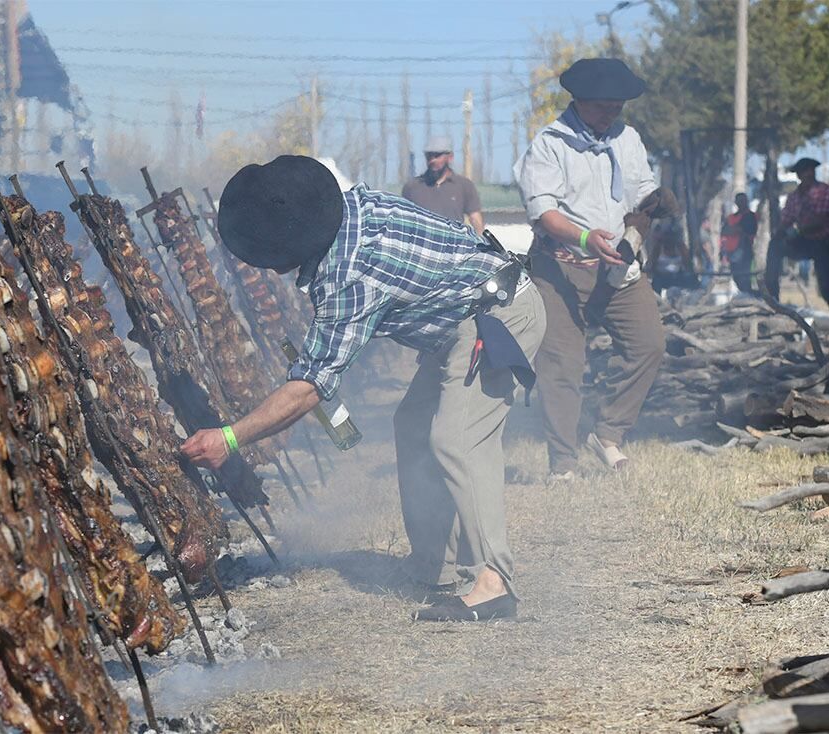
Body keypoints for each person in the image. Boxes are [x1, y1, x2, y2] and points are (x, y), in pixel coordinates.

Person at [183, 155, 545, 622]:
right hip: (461, 321)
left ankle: (494, 583)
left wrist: (230, 437)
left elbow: (311, 384)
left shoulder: (349, 277)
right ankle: (434, 565)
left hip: (500, 317)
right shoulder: (351, 210)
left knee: (457, 440)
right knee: (413, 425)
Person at [514, 57, 669, 480]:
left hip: (618, 266)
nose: (612, 113)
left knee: (649, 343)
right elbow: (543, 212)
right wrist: (584, 238)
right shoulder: (549, 144)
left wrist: (657, 199)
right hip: (560, 268)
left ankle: (607, 432)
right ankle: (562, 461)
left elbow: (639, 188)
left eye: (618, 105)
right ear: (579, 101)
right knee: (562, 365)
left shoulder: (627, 137)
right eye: (604, 106)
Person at [764, 158, 829, 310]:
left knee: (827, 286)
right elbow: (786, 219)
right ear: (799, 175)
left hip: (824, 243)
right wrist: (779, 234)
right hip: (803, 242)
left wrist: (797, 230)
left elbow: (821, 220)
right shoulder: (794, 197)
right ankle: (772, 297)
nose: (809, 174)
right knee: (775, 246)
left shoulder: (824, 191)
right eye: (805, 171)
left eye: (811, 170)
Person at [401, 135, 484, 229]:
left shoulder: (464, 186)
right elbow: (404, 220)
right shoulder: (412, 187)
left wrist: (481, 241)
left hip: (453, 242)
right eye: (429, 156)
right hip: (422, 242)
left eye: (437, 156)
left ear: (450, 157)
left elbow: (475, 219)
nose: (432, 160)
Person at [719, 193, 758, 293]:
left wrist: (734, 229)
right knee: (736, 276)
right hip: (731, 252)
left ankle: (749, 296)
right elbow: (724, 231)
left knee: (744, 278)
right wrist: (734, 229)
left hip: (744, 251)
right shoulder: (731, 217)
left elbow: (744, 230)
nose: (741, 203)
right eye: (738, 200)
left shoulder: (750, 216)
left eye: (743, 200)